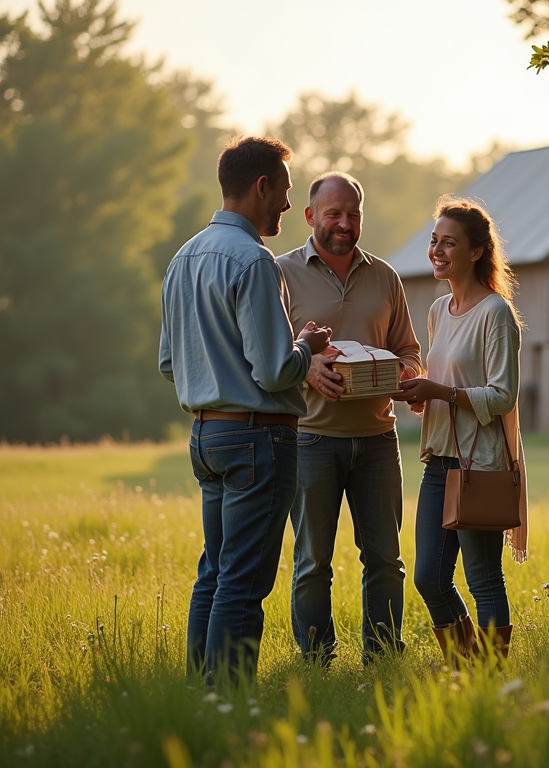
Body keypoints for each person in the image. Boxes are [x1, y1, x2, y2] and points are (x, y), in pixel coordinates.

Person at [158, 136, 332, 683]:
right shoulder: (255, 260)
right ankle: (228, 697)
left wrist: (217, 374)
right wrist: (309, 347)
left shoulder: (184, 256)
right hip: (260, 440)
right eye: (283, 191)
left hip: (206, 437)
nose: (286, 204)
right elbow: (277, 371)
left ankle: (201, 691)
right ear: (262, 187)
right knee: (244, 578)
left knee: (215, 569)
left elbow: (170, 361)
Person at [277, 171, 422, 665]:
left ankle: (382, 657)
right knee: (313, 562)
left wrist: (402, 374)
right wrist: (307, 369)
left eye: (353, 214)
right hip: (310, 440)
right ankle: (316, 660)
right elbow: (264, 359)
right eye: (334, 213)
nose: (344, 223)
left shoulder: (385, 276)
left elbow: (409, 350)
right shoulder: (279, 272)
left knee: (385, 559)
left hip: (379, 441)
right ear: (310, 215)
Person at [397, 195, 528, 661]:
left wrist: (440, 393)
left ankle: (489, 675)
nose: (437, 251)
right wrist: (420, 394)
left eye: (448, 243)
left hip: (482, 463)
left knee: (482, 578)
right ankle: (464, 662)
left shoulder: (495, 314)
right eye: (434, 241)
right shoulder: (437, 311)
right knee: (429, 576)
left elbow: (502, 396)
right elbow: (449, 383)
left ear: (475, 252)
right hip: (439, 461)